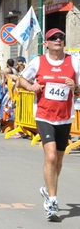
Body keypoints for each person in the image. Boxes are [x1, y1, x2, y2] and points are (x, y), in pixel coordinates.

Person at [18, 28, 79, 222]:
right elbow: (20, 80)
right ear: (46, 43)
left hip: (65, 117)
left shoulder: (74, 62)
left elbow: (79, 90)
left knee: (58, 161)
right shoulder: (38, 62)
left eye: (61, 37)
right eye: (53, 38)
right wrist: (31, 86)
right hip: (44, 115)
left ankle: (47, 188)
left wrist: (75, 88)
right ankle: (52, 201)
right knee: (50, 155)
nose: (58, 40)